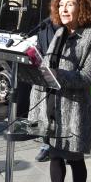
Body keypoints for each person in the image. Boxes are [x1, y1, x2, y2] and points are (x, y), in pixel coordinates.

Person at [28, 0, 91, 182]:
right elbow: (49, 66)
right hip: (52, 106)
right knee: (55, 154)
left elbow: (87, 77)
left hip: (74, 109)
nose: (64, 9)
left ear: (82, 8)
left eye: (70, 4)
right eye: (61, 5)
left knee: (74, 157)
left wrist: (57, 74)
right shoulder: (58, 33)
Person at [34, 17, 59, 162]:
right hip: (47, 78)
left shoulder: (69, 28)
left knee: (62, 116)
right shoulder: (44, 28)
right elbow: (39, 47)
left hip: (64, 78)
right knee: (47, 114)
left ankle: (66, 148)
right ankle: (46, 146)